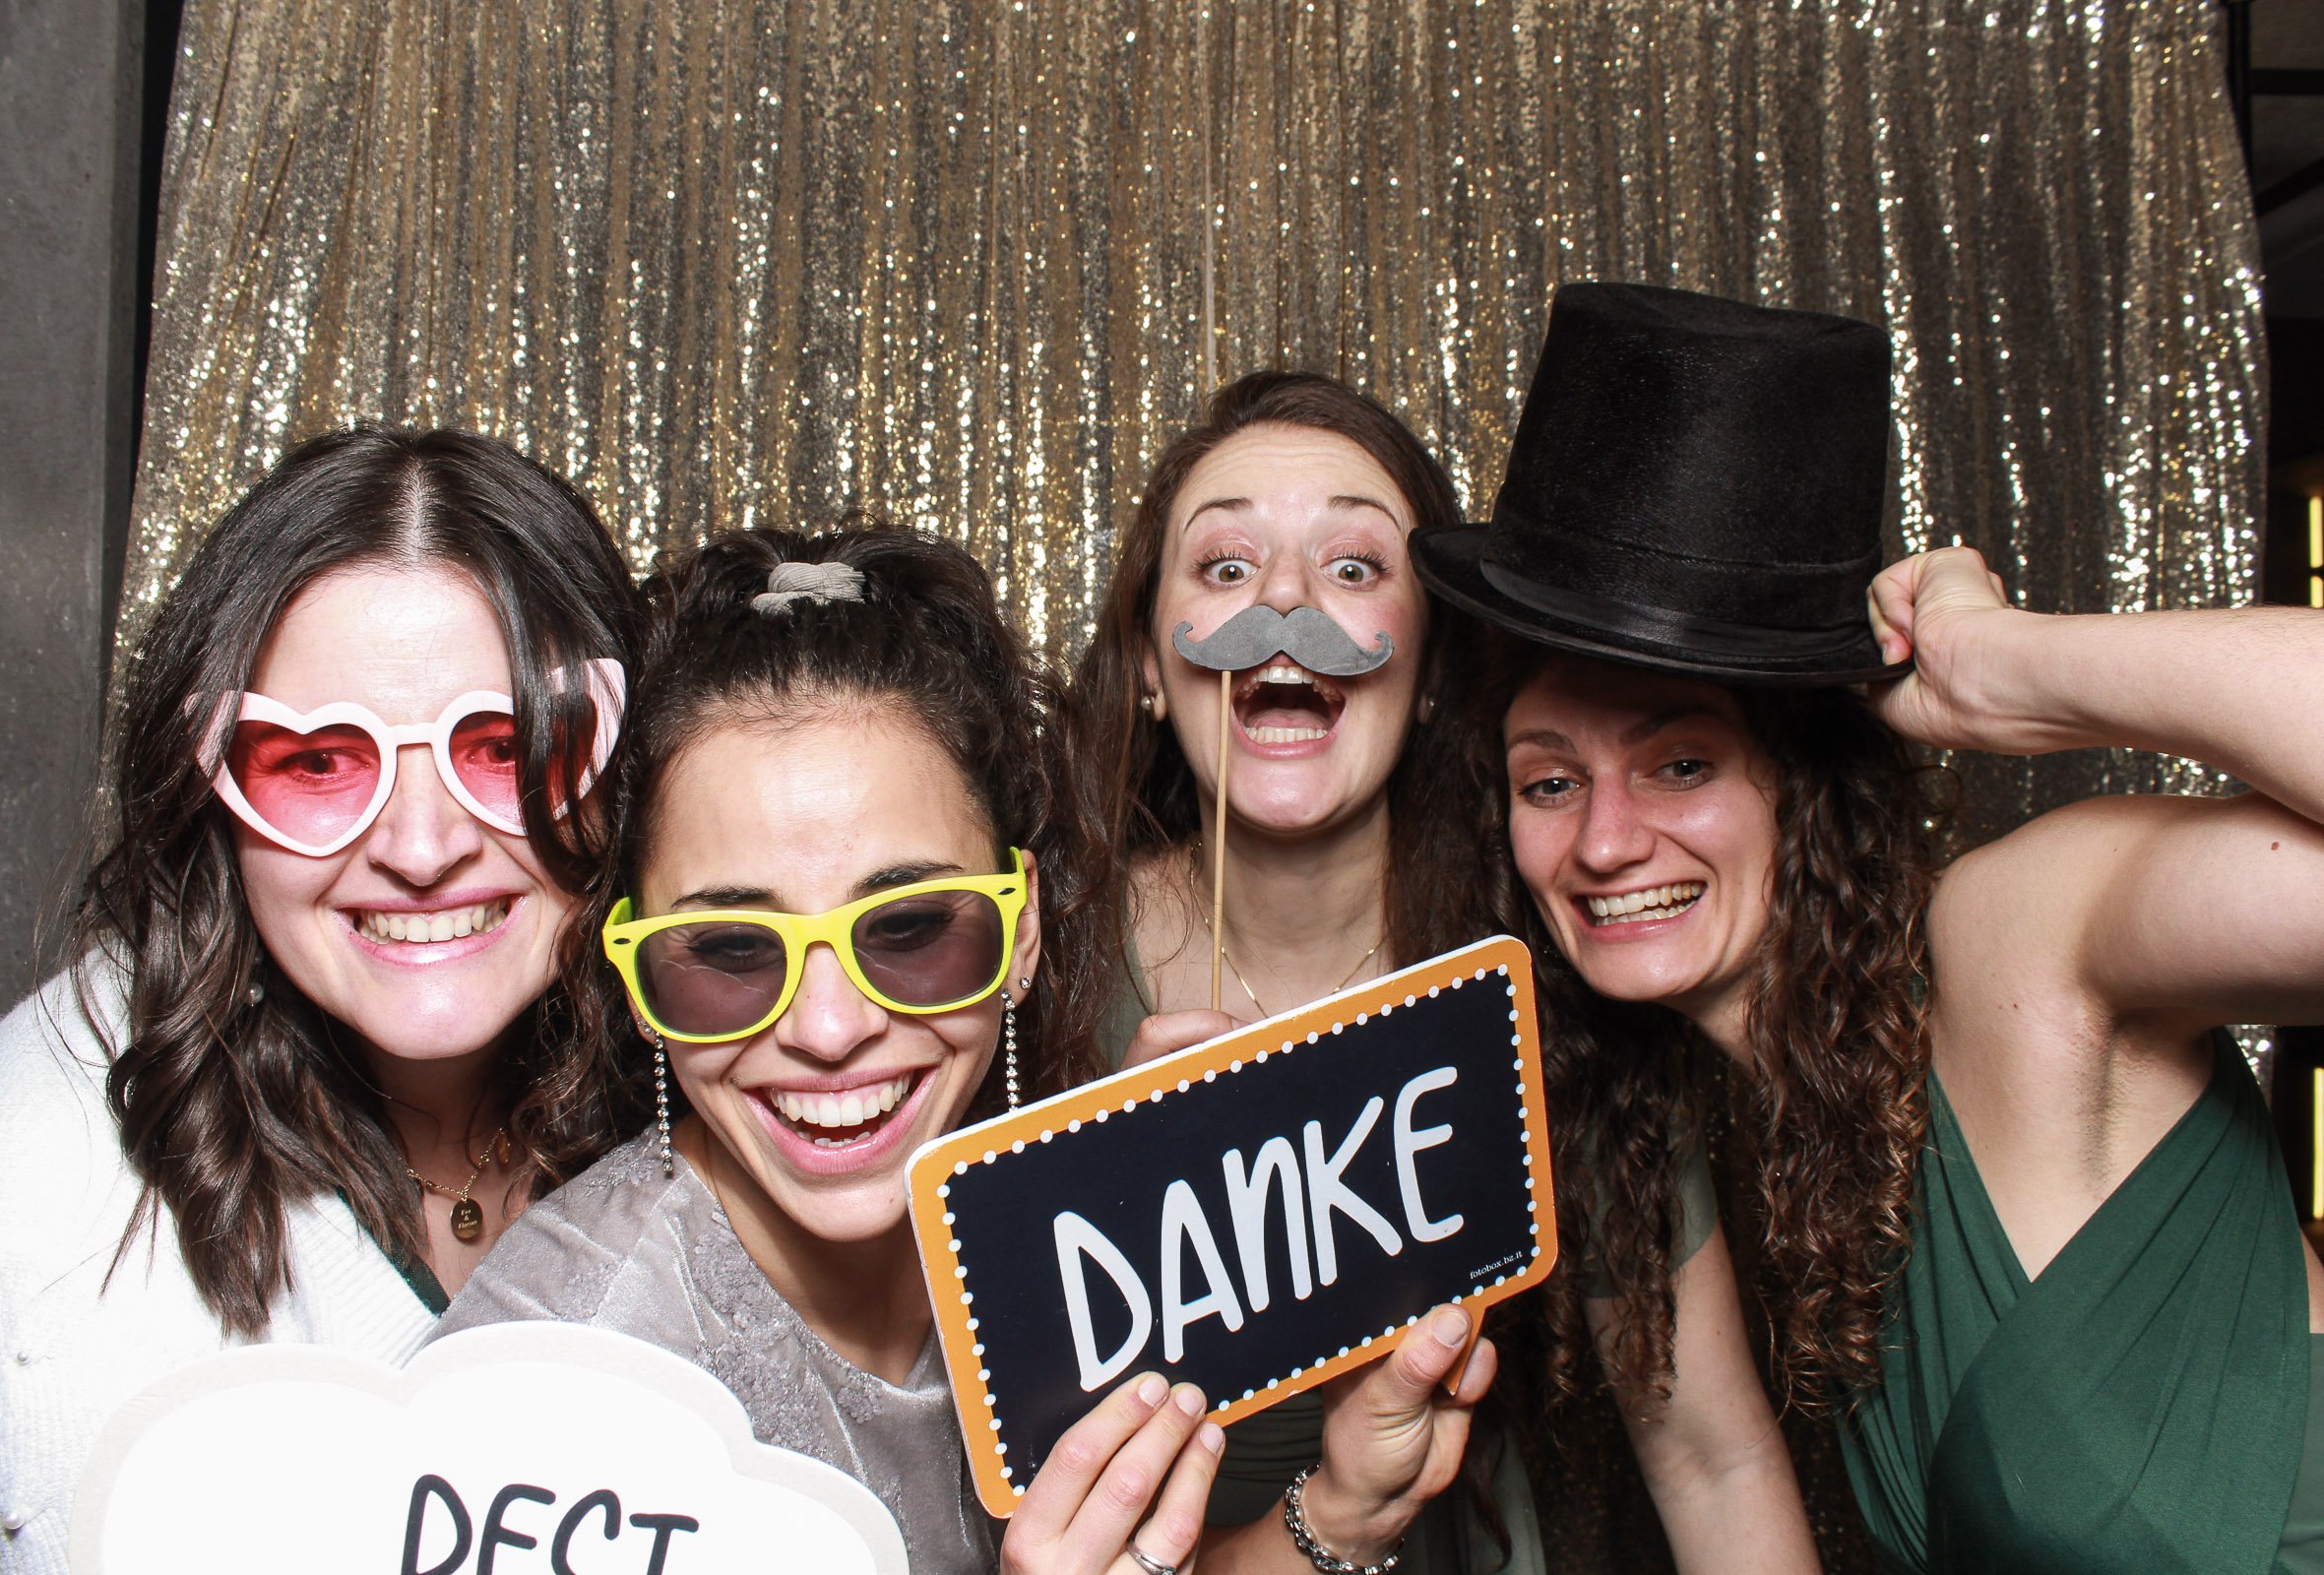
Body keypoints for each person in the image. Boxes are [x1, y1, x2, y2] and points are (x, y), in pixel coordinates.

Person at [1418, 280, 2324, 1572]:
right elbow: (1714, 1467)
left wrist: (2014, 666)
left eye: (1682, 764)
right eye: (1550, 781)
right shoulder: (1710, 1121)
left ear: (1804, 782)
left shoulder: (2015, 938)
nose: (1605, 842)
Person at [437, 526, 1500, 1575]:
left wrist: (1346, 1511)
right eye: (728, 950)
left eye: (910, 930)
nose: (828, 1029)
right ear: (638, 982)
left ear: (1020, 930)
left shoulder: (1032, 1213)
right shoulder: (559, 1384)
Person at [1072, 371, 1814, 1571]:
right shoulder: (1032, 972)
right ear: (1151, 667)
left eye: (1353, 566)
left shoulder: (1546, 988)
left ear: (1428, 678)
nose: (1283, 603)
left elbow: (1712, 1461)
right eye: (1226, 566)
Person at [0, 426, 646, 1572]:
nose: (421, 849)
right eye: (318, 763)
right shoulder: (51, 1194)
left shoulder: (702, 1053)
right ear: (208, 791)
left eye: (506, 747)